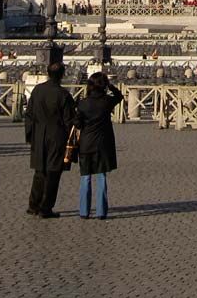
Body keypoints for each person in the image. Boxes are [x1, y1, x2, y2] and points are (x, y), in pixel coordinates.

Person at [25, 61, 77, 218]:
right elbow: (69, 121)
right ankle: (46, 208)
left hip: (39, 134)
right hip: (56, 137)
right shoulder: (64, 95)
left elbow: (29, 114)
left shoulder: (37, 90)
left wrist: (30, 135)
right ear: (62, 75)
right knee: (53, 173)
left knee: (39, 172)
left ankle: (33, 205)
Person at [76, 71, 124, 219]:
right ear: (103, 86)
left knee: (86, 177)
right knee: (101, 176)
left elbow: (77, 123)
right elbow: (119, 96)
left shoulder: (83, 103)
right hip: (103, 143)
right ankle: (101, 211)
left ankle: (84, 211)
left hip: (86, 143)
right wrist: (110, 85)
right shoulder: (107, 101)